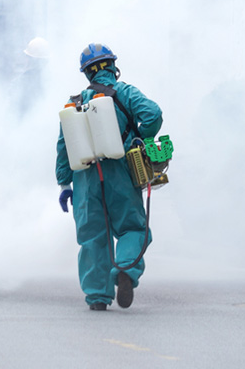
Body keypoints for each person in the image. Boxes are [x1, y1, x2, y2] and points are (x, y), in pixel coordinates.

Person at [56, 43, 163, 311]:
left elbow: (64, 145)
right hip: (119, 172)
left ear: (87, 74)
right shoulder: (124, 92)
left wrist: (64, 184)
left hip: (83, 179)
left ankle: (97, 297)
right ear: (113, 66)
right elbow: (153, 114)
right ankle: (125, 270)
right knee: (132, 228)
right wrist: (140, 137)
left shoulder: (75, 102)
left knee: (93, 236)